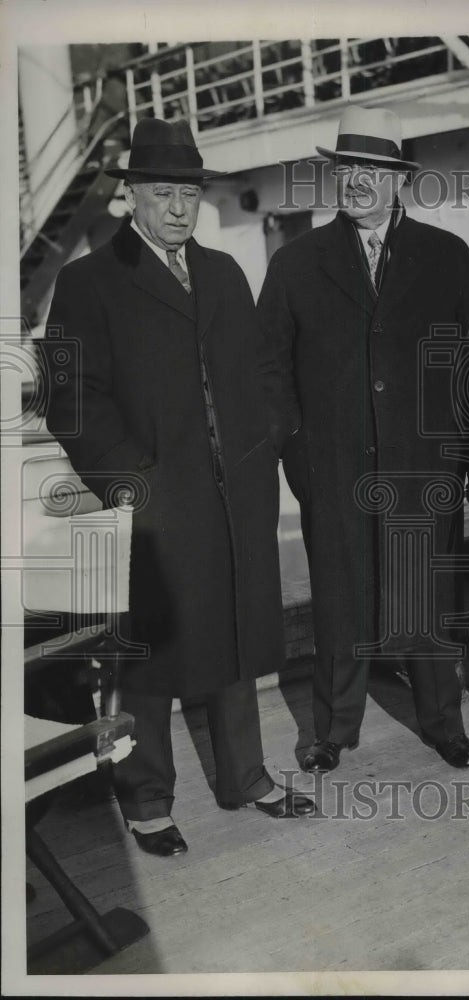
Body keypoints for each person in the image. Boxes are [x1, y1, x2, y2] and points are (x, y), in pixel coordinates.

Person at [43, 118, 313, 857]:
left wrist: (265, 445)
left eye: (188, 194)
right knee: (147, 659)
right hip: (153, 500)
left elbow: (263, 371)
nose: (177, 208)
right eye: (161, 193)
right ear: (131, 197)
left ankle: (245, 777)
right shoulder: (88, 280)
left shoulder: (224, 272)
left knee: (231, 638)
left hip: (235, 495)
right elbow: (69, 396)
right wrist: (132, 480)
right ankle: (147, 798)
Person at [257, 106, 469, 773]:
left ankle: (444, 723)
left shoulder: (446, 256)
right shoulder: (296, 262)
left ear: (397, 180)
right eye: (348, 167)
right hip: (332, 470)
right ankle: (333, 729)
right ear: (335, 176)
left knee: (428, 603)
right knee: (339, 603)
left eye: (373, 169)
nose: (358, 181)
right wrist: (299, 453)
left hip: (424, 467)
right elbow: (268, 367)